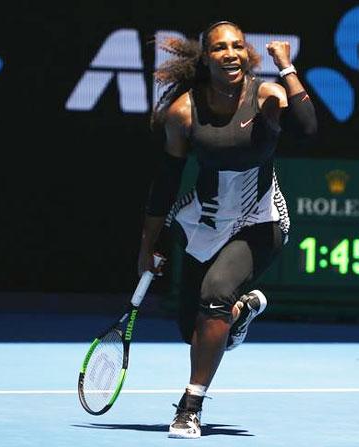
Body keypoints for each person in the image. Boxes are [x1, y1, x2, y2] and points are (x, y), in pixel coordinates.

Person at [137, 20, 317, 439]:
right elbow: (165, 182)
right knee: (191, 330)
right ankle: (242, 312)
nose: (231, 53)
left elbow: (308, 128)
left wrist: (286, 68)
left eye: (238, 46)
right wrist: (148, 245)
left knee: (214, 295)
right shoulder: (183, 112)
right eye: (220, 48)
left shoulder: (268, 96)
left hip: (260, 220)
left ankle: (189, 408)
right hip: (203, 222)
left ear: (247, 55)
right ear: (207, 58)